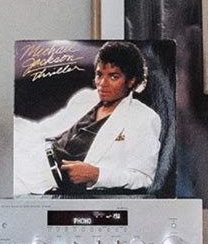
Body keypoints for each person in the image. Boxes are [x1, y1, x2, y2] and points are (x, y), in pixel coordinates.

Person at [14, 41, 162, 195]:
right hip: (32, 153)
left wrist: (97, 174)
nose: (102, 84)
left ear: (131, 81)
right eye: (99, 75)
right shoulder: (86, 98)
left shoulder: (144, 118)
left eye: (113, 76)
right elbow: (45, 129)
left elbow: (143, 178)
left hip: (46, 180)